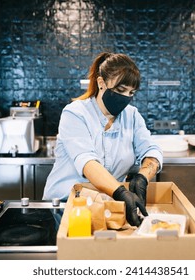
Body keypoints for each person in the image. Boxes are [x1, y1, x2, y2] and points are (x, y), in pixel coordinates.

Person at [43, 52, 163, 226]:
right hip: (64, 207)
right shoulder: (75, 113)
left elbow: (151, 150)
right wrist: (121, 192)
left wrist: (142, 177)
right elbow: (87, 163)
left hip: (105, 208)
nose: (126, 98)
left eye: (131, 93)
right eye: (120, 90)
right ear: (101, 83)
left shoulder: (132, 116)